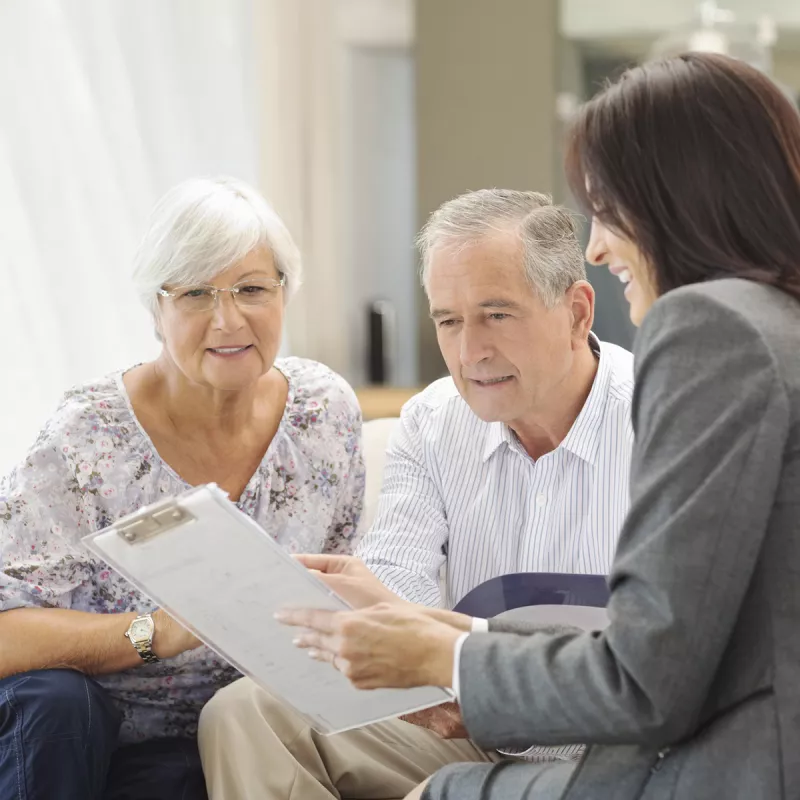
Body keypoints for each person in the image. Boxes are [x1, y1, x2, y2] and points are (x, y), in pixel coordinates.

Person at [277, 52, 800, 800]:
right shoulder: (778, 324)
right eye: (449, 321)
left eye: (607, 205)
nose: (596, 242)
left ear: (673, 198)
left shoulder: (711, 330)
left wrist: (450, 661)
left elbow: (647, 679)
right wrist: (454, 644)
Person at [198, 189, 635, 798]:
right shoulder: (433, 422)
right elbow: (397, 584)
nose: (468, 352)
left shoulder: (664, 419)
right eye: (448, 321)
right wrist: (366, 607)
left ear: (578, 312)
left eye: (497, 315)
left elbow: (666, 654)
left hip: (619, 741)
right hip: (473, 723)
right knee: (247, 713)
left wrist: (459, 655)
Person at [0, 176, 364, 800]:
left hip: (251, 724)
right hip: (95, 727)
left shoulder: (322, 413)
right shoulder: (86, 436)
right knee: (60, 711)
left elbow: (343, 586)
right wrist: (158, 631)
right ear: (156, 309)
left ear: (284, 294)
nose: (228, 319)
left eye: (252, 289)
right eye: (196, 293)